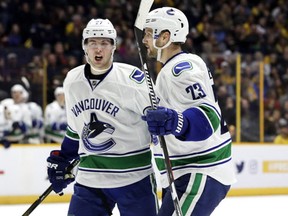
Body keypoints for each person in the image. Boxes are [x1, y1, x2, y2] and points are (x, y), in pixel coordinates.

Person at [46, 18, 158, 216]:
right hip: (90, 179)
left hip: (134, 178)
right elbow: (75, 129)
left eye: (105, 43)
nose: (98, 49)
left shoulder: (132, 79)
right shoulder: (72, 80)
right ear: (84, 47)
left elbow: (159, 125)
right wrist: (64, 157)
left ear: (113, 47)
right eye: (93, 43)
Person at [142, 7, 236, 216]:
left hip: (201, 169)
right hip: (183, 170)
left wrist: (174, 121)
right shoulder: (171, 68)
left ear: (165, 37)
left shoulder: (182, 68)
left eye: (149, 33)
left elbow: (208, 119)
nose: (144, 40)